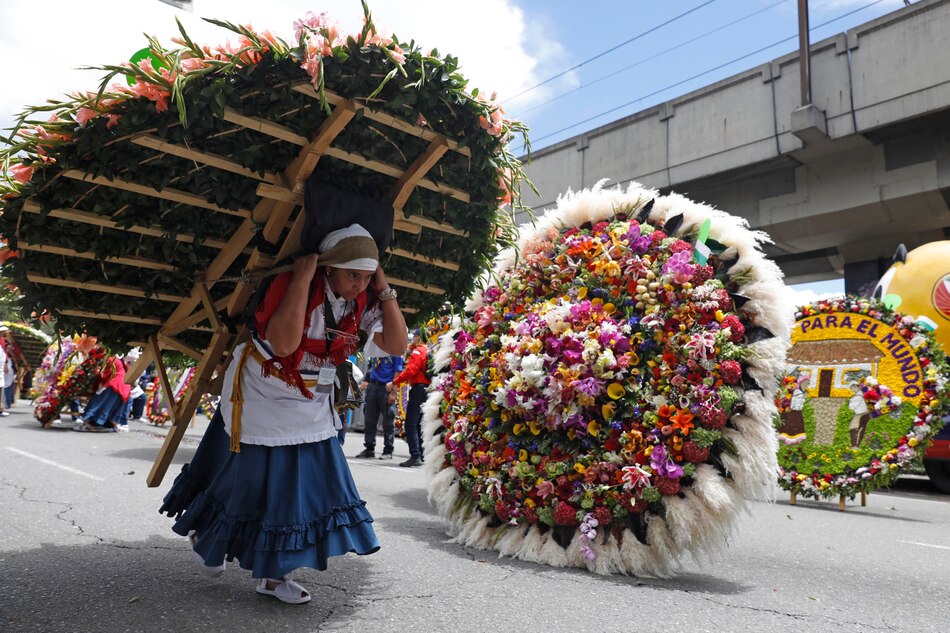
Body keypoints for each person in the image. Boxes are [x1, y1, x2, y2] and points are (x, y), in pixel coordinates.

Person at [159, 224, 407, 605]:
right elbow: (284, 343)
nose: (358, 285)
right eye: (351, 275)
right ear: (329, 268)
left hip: (311, 403)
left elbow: (397, 344)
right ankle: (207, 539)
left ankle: (274, 577)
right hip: (263, 393)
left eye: (364, 276)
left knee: (302, 495)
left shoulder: (361, 301)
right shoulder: (295, 287)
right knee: (247, 483)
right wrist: (303, 278)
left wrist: (383, 288)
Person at [73, 349, 138, 433]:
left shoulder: (110, 359)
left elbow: (103, 375)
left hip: (114, 384)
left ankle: (87, 423)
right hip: (122, 386)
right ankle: (113, 425)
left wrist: (95, 386)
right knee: (112, 406)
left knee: (97, 403)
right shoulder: (115, 359)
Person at [391, 330, 430, 467]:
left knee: (411, 423)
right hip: (427, 390)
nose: (413, 339)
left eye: (414, 336)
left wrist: (395, 382)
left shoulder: (418, 351)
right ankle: (421, 453)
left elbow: (410, 370)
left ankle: (415, 455)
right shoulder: (428, 351)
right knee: (419, 423)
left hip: (418, 389)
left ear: (418, 338)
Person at [355, 353, 404, 460]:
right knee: (369, 420)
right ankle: (369, 448)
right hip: (373, 386)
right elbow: (371, 367)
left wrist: (393, 392)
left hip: (386, 388)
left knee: (388, 421)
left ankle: (388, 450)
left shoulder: (395, 352)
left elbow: (398, 372)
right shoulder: (377, 351)